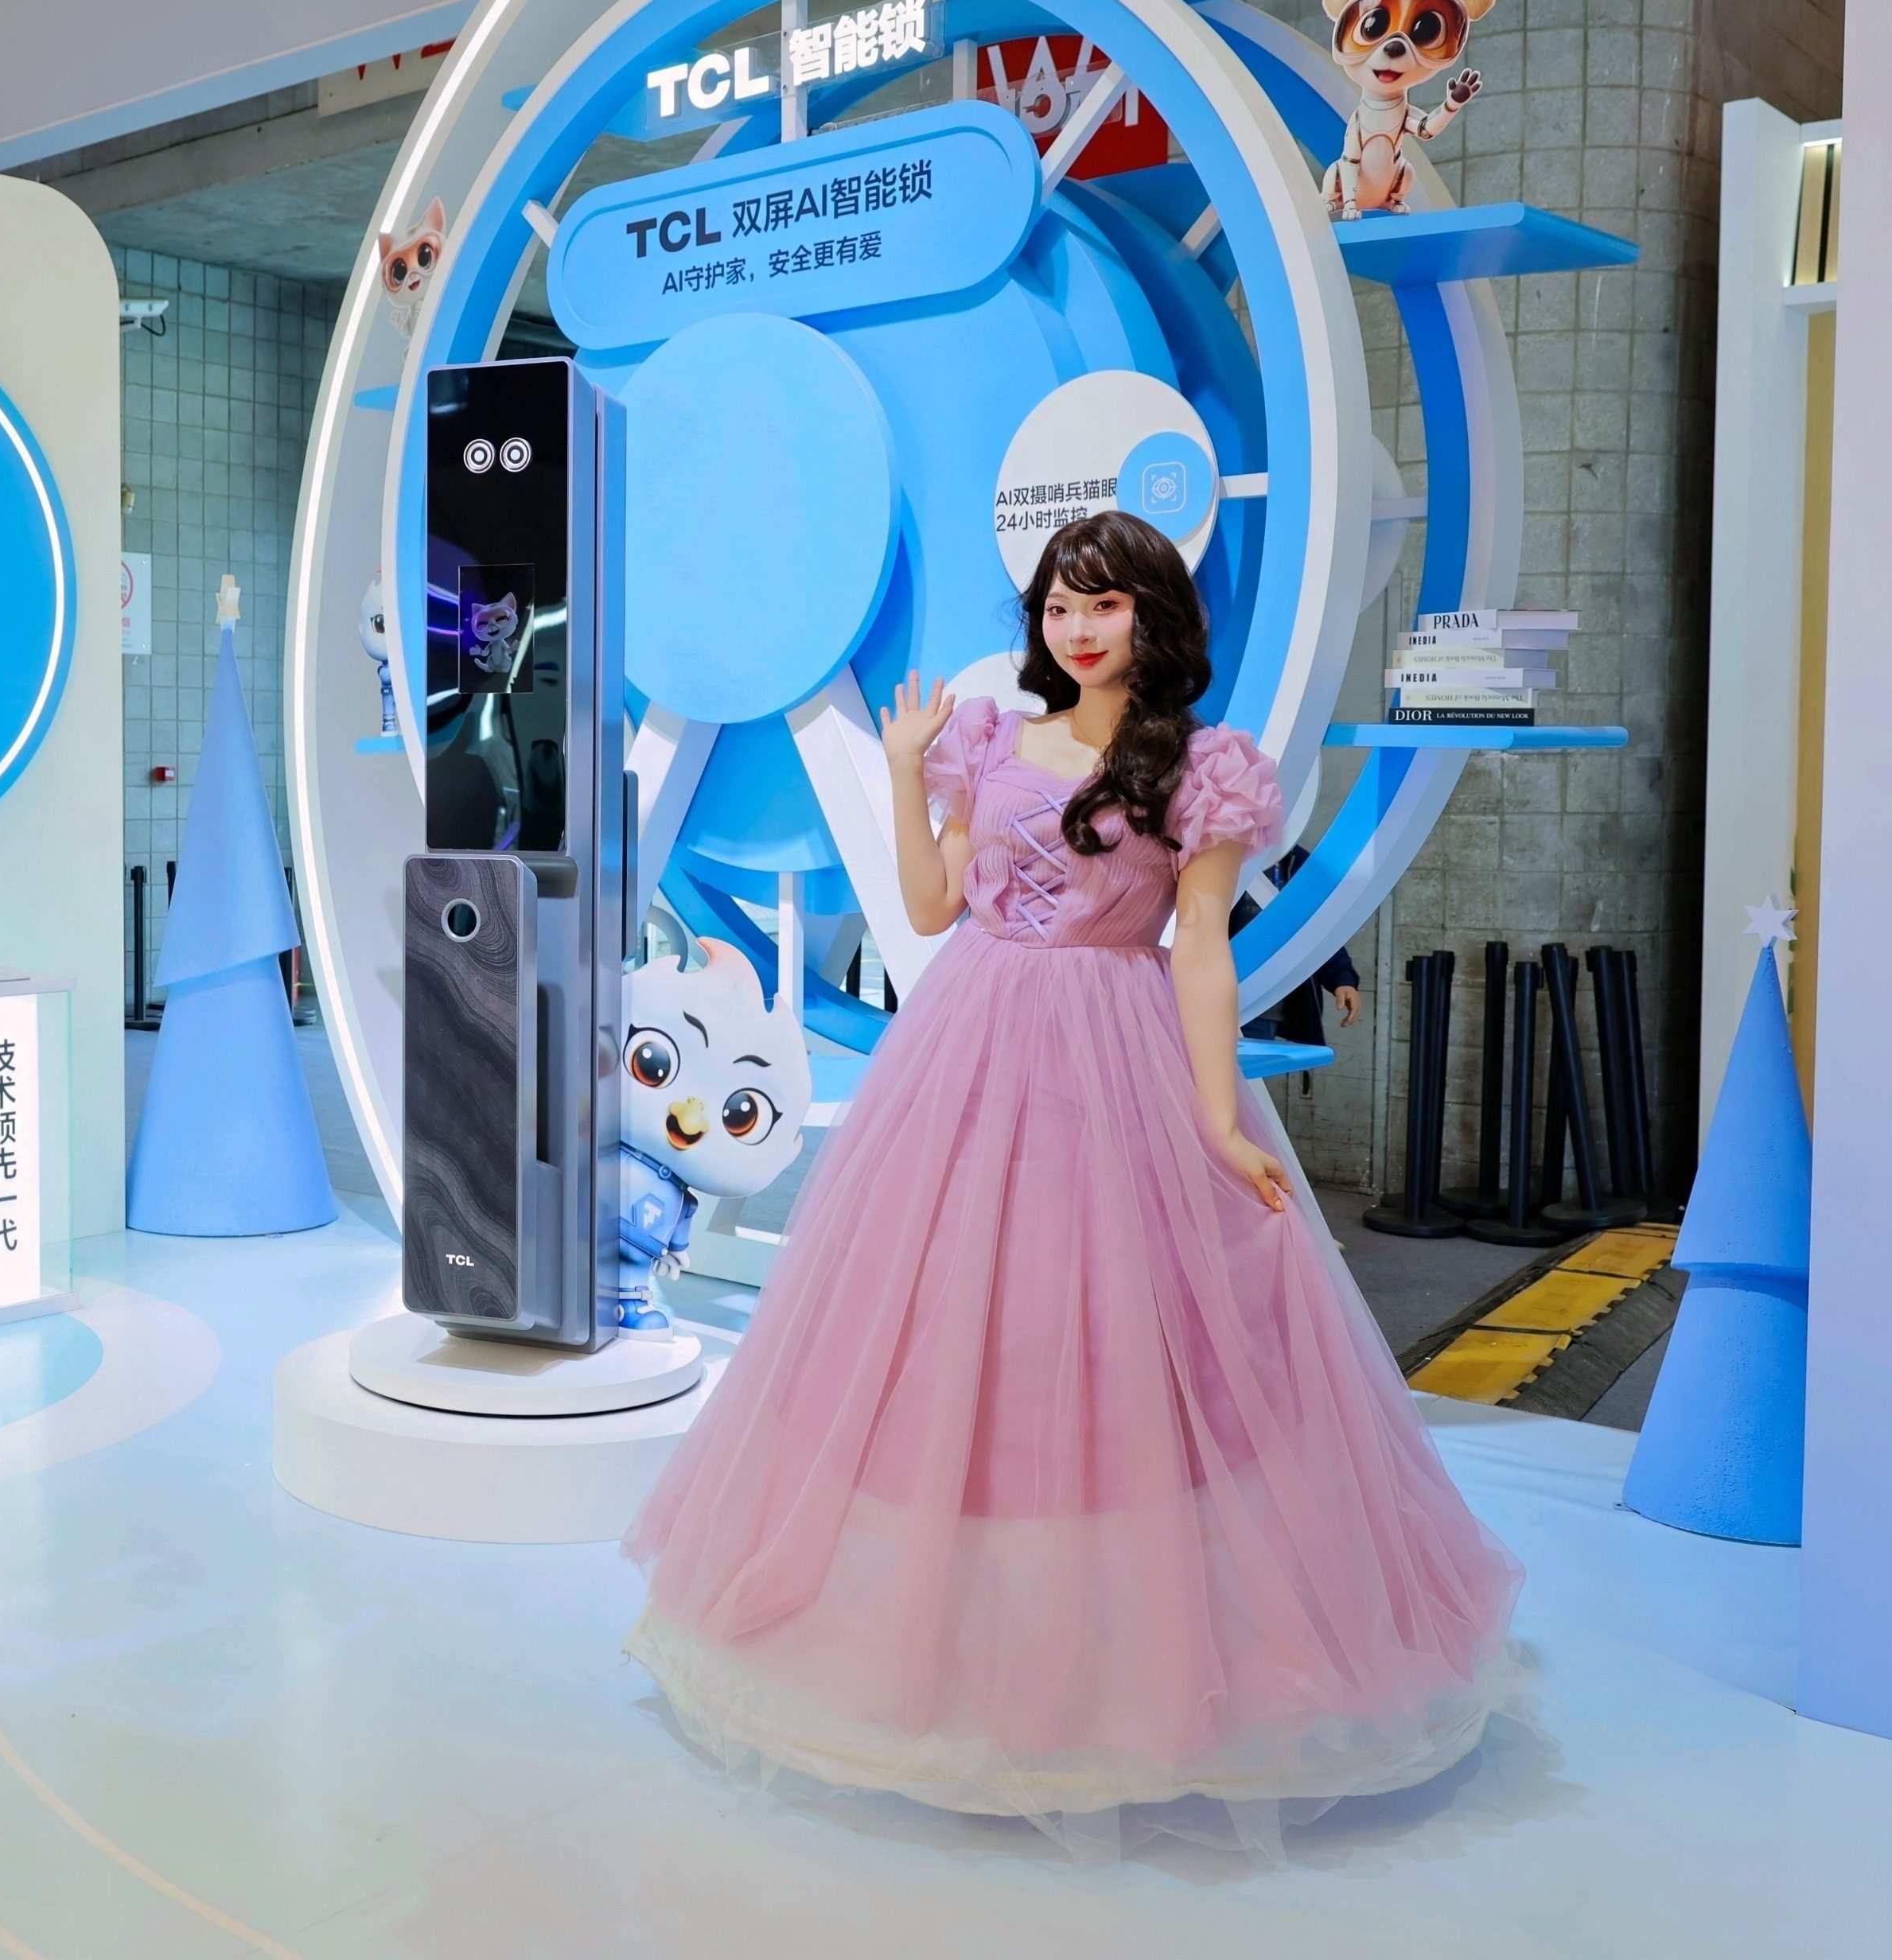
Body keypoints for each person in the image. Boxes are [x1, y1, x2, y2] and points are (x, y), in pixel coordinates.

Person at [623, 511, 1521, 1847]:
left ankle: (1119, 1653)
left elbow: (1202, 947)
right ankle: (947, 1643)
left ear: (1155, 617)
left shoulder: (1201, 770)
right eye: (1059, 605)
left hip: (1116, 1051)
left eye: (1104, 604)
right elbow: (931, 910)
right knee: (955, 1336)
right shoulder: (991, 740)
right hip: (969, 1045)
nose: (1078, 628)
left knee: (1106, 1342)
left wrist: (1217, 1121)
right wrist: (906, 771)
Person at [1233, 843, 1362, 1048]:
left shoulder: (1299, 864)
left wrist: (1342, 978)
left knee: (1245, 1065)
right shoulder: (1223, 851)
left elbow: (1318, 928)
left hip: (1263, 1005)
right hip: (1210, 995)